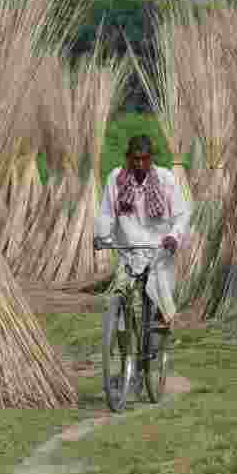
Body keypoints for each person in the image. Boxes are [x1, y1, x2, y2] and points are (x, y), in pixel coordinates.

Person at [93, 135, 191, 330]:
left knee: (159, 288)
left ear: (150, 159)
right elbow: (106, 212)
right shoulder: (116, 179)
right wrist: (102, 236)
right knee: (122, 292)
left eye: (144, 159)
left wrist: (173, 236)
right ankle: (122, 340)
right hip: (130, 249)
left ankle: (163, 320)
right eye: (135, 159)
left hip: (158, 248)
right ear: (128, 158)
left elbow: (181, 215)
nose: (139, 164)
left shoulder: (165, 180)